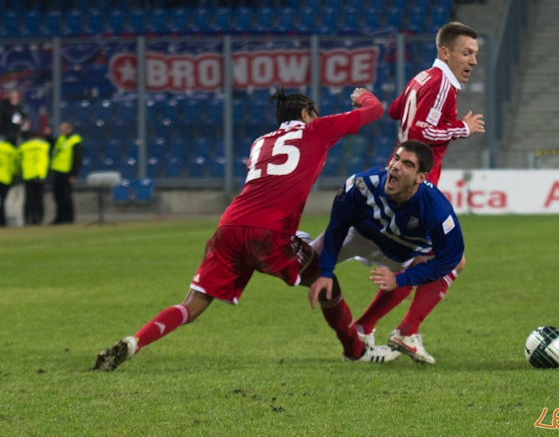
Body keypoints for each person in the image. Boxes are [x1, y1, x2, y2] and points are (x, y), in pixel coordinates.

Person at [93, 87, 399, 372]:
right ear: (306, 113)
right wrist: (363, 96)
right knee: (327, 283)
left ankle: (136, 341)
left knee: (193, 304)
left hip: (229, 228)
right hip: (270, 235)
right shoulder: (315, 129)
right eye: (315, 113)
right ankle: (356, 352)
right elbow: (375, 110)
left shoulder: (260, 143)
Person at [307, 140, 465, 364]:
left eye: (408, 164)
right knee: (303, 265)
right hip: (358, 236)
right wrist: (325, 270)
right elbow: (338, 226)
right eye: (396, 159)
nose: (397, 166)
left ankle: (381, 330)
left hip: (399, 251)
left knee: (452, 262)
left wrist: (403, 279)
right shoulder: (362, 184)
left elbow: (450, 258)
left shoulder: (437, 211)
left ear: (421, 178)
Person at [388, 22, 486, 186]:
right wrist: (463, 128)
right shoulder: (442, 84)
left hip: (398, 167)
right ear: (445, 53)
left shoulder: (423, 77)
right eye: (467, 53)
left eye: (475, 54)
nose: (473, 61)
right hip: (416, 175)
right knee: (437, 212)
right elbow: (420, 133)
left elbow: (394, 111)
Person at [49, 122, 83, 225]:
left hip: (66, 173)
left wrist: (73, 174)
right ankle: (60, 217)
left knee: (66, 196)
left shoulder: (75, 140)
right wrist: (48, 136)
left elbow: (77, 159)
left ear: (69, 129)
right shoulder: (61, 139)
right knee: (58, 196)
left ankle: (69, 218)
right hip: (57, 172)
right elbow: (53, 144)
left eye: (62, 128)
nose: (60, 130)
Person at [18, 131, 51, 225]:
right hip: (40, 175)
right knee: (39, 199)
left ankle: (27, 219)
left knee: (29, 199)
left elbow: (19, 161)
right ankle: (39, 219)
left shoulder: (23, 147)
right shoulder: (44, 146)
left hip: (28, 175)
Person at [0, 137, 19, 227]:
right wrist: (14, 180)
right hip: (6, 179)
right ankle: (1, 221)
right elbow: (14, 167)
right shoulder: (14, 151)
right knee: (2, 200)